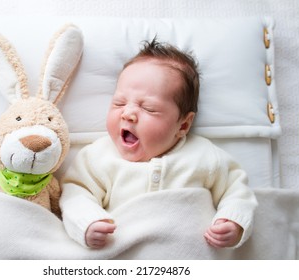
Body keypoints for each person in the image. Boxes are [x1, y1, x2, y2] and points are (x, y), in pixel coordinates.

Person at [60, 38, 258, 250]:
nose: (127, 114)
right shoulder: (97, 157)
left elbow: (237, 191)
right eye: (119, 103)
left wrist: (233, 221)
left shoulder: (205, 156)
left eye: (149, 109)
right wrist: (87, 222)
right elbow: (75, 194)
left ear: (183, 125)